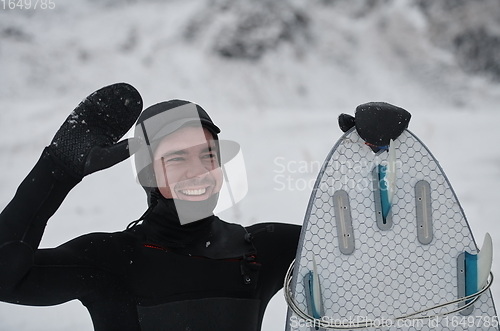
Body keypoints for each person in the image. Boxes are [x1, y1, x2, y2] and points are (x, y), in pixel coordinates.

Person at [0, 83, 301, 331]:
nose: (198, 171)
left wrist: (350, 150)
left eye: (208, 155)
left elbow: (344, 246)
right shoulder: (111, 261)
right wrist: (57, 172)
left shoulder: (258, 251)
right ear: (149, 174)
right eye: (177, 159)